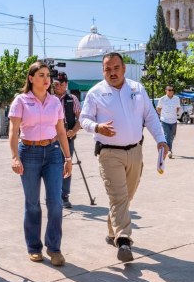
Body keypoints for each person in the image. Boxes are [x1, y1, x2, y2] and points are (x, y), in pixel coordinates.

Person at [80, 52, 168, 263]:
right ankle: (124, 241)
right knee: (118, 196)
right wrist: (97, 127)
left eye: (116, 68)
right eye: (107, 69)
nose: (112, 72)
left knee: (126, 196)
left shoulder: (137, 89)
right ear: (103, 71)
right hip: (109, 153)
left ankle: (113, 231)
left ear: (124, 68)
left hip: (135, 152)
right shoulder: (95, 93)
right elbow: (84, 119)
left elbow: (150, 117)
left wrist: (161, 140)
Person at [9, 61, 73, 267]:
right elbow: (13, 131)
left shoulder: (55, 102)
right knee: (33, 203)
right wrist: (14, 157)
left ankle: (54, 248)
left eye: (48, 75)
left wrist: (68, 158)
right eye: (41, 75)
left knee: (55, 202)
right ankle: (34, 247)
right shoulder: (21, 101)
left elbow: (62, 131)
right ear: (31, 78)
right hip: (28, 153)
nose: (47, 79)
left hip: (53, 153)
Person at [52, 72, 81, 208]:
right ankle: (53, 194)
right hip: (51, 139)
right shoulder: (49, 98)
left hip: (68, 139)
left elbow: (81, 118)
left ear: (66, 85)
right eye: (56, 84)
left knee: (67, 165)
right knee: (52, 166)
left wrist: (74, 130)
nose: (57, 86)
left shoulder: (72, 99)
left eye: (60, 84)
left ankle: (64, 195)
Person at [156, 85, 181, 159]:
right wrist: (162, 115)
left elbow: (178, 108)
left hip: (173, 120)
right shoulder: (162, 99)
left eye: (172, 90)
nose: (171, 91)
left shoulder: (177, 98)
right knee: (167, 135)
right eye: (169, 90)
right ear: (165, 91)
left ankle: (168, 148)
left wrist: (173, 114)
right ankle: (169, 150)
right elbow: (158, 109)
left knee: (172, 136)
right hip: (165, 120)